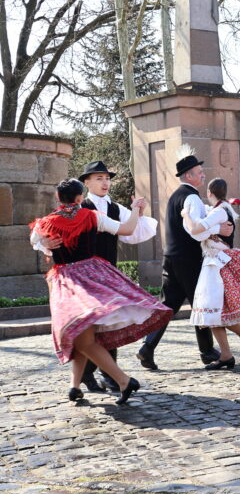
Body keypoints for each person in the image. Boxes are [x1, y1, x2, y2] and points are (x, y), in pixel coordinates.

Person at [30, 179, 172, 405]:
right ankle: (79, 385)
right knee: (82, 337)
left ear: (58, 198)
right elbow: (126, 229)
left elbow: (36, 242)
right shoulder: (91, 216)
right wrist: (136, 210)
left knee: (82, 336)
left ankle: (121, 381)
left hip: (66, 283)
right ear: (79, 198)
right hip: (93, 277)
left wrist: (45, 243)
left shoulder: (45, 224)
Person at [137, 147, 232, 371]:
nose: (203, 175)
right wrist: (220, 228)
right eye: (199, 172)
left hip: (171, 257)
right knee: (201, 303)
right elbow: (196, 230)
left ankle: (147, 347)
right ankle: (207, 351)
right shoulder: (191, 197)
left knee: (168, 305)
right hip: (188, 259)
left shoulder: (175, 196)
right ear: (188, 175)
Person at [72, 161, 158, 393]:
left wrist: (138, 211)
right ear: (87, 182)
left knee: (108, 325)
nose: (105, 182)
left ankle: (108, 374)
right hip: (85, 277)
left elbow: (133, 233)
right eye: (99, 178)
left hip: (109, 274)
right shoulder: (80, 208)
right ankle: (88, 376)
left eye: (107, 178)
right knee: (89, 327)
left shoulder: (116, 208)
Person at [185, 178, 240, 370]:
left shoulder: (220, 211)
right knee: (212, 312)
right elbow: (205, 229)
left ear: (209, 192)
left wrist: (186, 215)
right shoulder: (220, 210)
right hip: (214, 261)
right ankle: (229, 353)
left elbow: (196, 230)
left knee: (213, 310)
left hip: (218, 263)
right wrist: (214, 228)